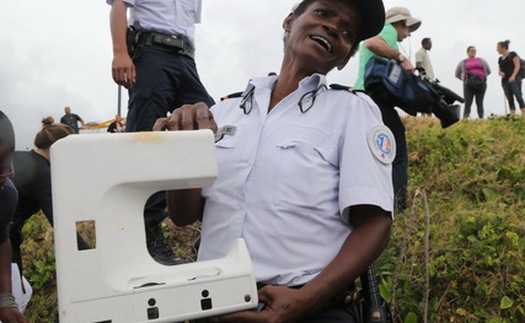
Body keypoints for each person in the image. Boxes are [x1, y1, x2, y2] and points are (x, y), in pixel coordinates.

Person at [155, 0, 394, 321]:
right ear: (289, 21)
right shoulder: (223, 112)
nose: (333, 27)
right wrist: (181, 149)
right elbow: (184, 214)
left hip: (308, 308)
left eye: (347, 31)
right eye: (323, 13)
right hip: (214, 305)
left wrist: (307, 300)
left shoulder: (352, 111)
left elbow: (375, 223)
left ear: (343, 59)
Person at [107, 0, 215, 265]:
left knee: (210, 130)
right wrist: (120, 52)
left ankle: (213, 228)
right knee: (147, 140)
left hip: (186, 59)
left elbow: (186, 26)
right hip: (152, 52)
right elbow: (119, 6)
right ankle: (148, 230)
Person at [354, 6, 421, 212]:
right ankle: (397, 207)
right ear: (399, 23)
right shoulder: (388, 30)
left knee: (369, 154)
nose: (408, 34)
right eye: (407, 29)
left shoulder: (390, 40)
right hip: (373, 97)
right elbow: (372, 43)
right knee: (397, 152)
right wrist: (402, 59)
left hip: (362, 97)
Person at [9, 117, 90, 276]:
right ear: (60, 149)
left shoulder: (17, 156)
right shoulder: (43, 174)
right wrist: (89, 255)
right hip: (4, 237)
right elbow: (61, 224)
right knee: (12, 293)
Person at [0, 110, 29, 323]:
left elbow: (1, 240)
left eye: (5, 166)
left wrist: (6, 299)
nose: (4, 176)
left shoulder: (6, 195)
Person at [455, 46, 491, 119]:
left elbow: (488, 71)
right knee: (468, 103)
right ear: (467, 52)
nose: (473, 52)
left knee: (480, 103)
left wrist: (481, 77)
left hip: (481, 85)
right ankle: (465, 119)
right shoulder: (463, 62)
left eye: (475, 50)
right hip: (468, 85)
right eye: (471, 50)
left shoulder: (481, 60)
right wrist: (464, 79)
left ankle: (481, 118)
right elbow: (457, 73)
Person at [497, 40, 524, 116]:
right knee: (509, 98)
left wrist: (513, 76)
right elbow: (499, 71)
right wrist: (501, 73)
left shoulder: (512, 54)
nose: (497, 50)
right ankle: (513, 115)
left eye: (498, 48)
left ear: (503, 47)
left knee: (518, 96)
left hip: (514, 79)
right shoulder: (500, 59)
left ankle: (523, 113)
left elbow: (517, 66)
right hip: (505, 80)